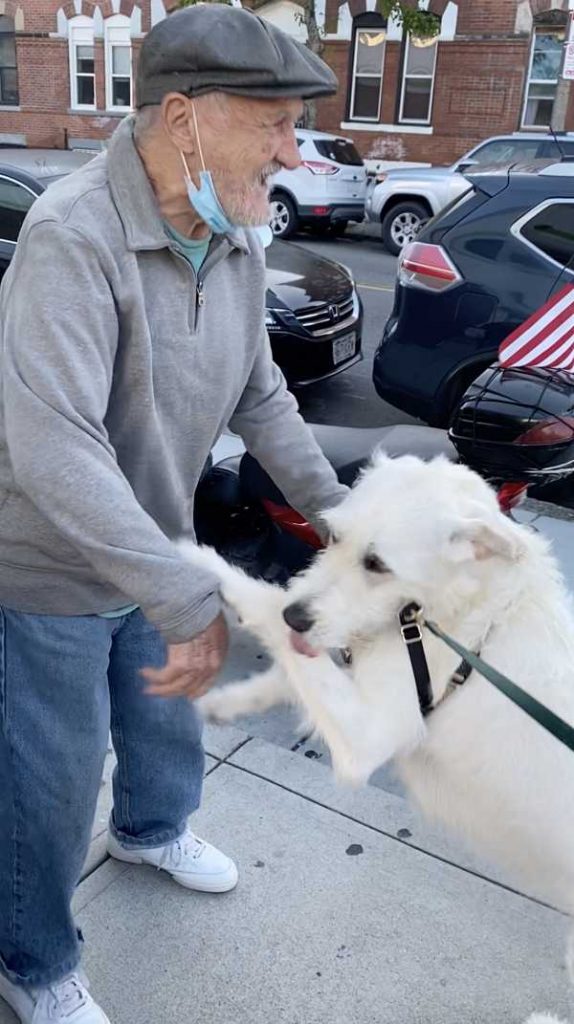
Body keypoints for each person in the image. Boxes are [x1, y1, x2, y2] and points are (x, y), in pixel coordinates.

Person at [0, 6, 348, 1023]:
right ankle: (33, 959)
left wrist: (342, 517)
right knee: (50, 786)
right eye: (275, 123)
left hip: (157, 547)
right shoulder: (76, 235)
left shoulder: (231, 230)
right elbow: (53, 444)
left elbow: (259, 394)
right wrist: (186, 593)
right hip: (51, 572)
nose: (294, 149)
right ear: (184, 117)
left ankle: (153, 831)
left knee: (163, 726)